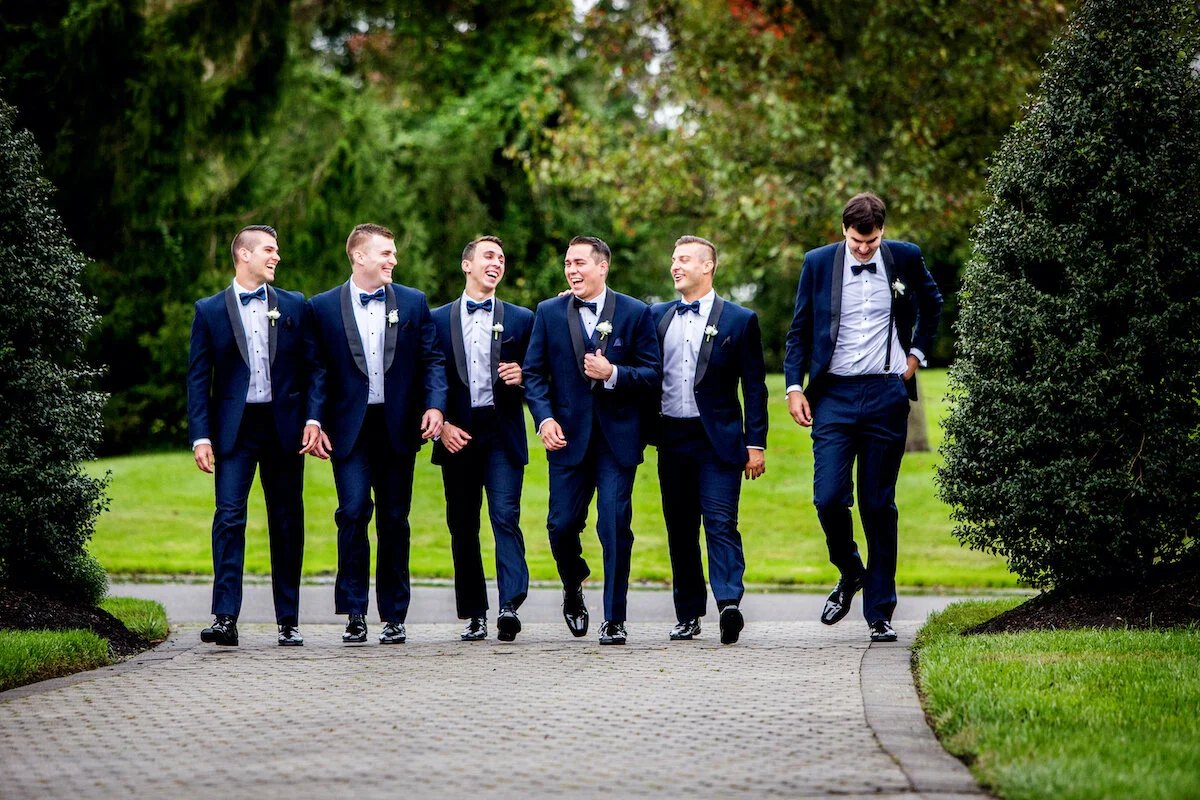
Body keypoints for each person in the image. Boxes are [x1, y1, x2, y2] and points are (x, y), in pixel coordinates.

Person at [784, 193, 942, 642]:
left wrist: (916, 354)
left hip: (885, 393)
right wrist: (794, 386)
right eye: (856, 242)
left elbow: (933, 303)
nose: (863, 250)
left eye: (871, 243)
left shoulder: (905, 258)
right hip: (833, 395)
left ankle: (880, 612)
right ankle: (852, 571)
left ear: (882, 232)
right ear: (843, 232)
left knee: (877, 505)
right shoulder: (818, 263)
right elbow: (799, 330)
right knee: (829, 498)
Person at [303, 223, 447, 645]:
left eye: (394, 253)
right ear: (359, 256)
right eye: (386, 253)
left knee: (394, 520)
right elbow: (318, 372)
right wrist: (314, 420)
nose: (393, 260)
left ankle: (394, 615)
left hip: (398, 427)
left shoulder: (413, 302)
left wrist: (435, 405)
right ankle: (353, 612)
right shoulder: (323, 307)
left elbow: (432, 360)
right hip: (348, 431)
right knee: (351, 513)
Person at [523, 236, 662, 645]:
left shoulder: (637, 312)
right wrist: (544, 418)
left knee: (615, 525)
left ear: (602, 267)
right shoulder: (548, 312)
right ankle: (573, 583)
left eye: (580, 262)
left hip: (617, 440)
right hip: (566, 439)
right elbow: (533, 374)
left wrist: (613, 374)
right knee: (561, 526)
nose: (572, 270)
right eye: (568, 263)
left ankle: (614, 618)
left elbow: (653, 374)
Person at [187, 225, 310, 647]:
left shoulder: (294, 305)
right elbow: (198, 379)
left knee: (287, 522)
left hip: (284, 429)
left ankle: (289, 620)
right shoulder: (209, 311)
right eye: (269, 250)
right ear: (244, 254)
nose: (276, 257)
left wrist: (313, 420)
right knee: (229, 518)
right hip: (234, 432)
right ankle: (225, 618)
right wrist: (201, 437)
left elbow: (313, 370)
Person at [649, 235, 768, 645]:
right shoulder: (655, 316)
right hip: (671, 437)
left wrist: (756, 444)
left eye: (683, 259)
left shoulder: (739, 320)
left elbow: (755, 388)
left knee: (720, 523)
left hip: (717, 441)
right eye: (673, 258)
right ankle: (688, 614)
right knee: (680, 528)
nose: (675, 266)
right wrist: (572, 299)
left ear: (707, 266)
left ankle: (729, 603)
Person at [430, 236, 534, 642]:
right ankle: (474, 613)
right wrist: (441, 427)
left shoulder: (522, 319)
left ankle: (509, 605)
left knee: (505, 517)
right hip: (456, 432)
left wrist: (523, 376)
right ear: (466, 264)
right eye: (488, 256)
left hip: (502, 431)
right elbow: (428, 377)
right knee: (462, 524)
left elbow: (542, 373)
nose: (497, 263)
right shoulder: (436, 319)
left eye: (502, 259)